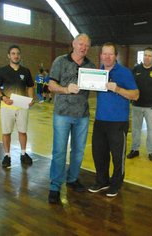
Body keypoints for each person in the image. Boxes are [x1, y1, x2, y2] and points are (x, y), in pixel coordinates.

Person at [48, 34, 96, 204]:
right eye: (81, 44)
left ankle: (73, 178)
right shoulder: (60, 61)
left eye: (87, 45)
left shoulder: (91, 65)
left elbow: (95, 85)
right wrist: (66, 89)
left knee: (78, 151)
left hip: (82, 116)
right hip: (62, 114)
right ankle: (55, 186)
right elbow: (51, 85)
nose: (83, 47)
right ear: (73, 44)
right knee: (59, 151)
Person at [89, 42, 139, 197]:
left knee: (117, 157)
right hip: (100, 120)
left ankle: (116, 184)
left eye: (110, 54)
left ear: (116, 56)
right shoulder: (98, 72)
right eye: (104, 54)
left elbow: (135, 95)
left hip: (118, 122)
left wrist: (117, 89)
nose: (107, 57)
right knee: (99, 154)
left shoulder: (125, 73)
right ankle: (102, 181)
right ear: (101, 56)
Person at [0, 45, 34, 168]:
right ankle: (7, 155)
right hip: (7, 107)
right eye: (13, 53)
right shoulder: (2, 70)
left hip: (21, 106)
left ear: (20, 55)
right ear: (8, 55)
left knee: (22, 131)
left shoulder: (25, 71)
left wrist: (31, 98)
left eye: (17, 54)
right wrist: (3, 98)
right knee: (6, 133)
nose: (16, 56)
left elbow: (30, 86)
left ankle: (23, 153)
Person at [127, 47, 152, 162]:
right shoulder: (136, 69)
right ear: (142, 56)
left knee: (151, 130)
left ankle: (151, 151)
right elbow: (130, 84)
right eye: (145, 55)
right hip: (137, 105)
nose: (147, 57)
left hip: (151, 106)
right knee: (135, 129)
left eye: (149, 55)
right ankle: (135, 149)